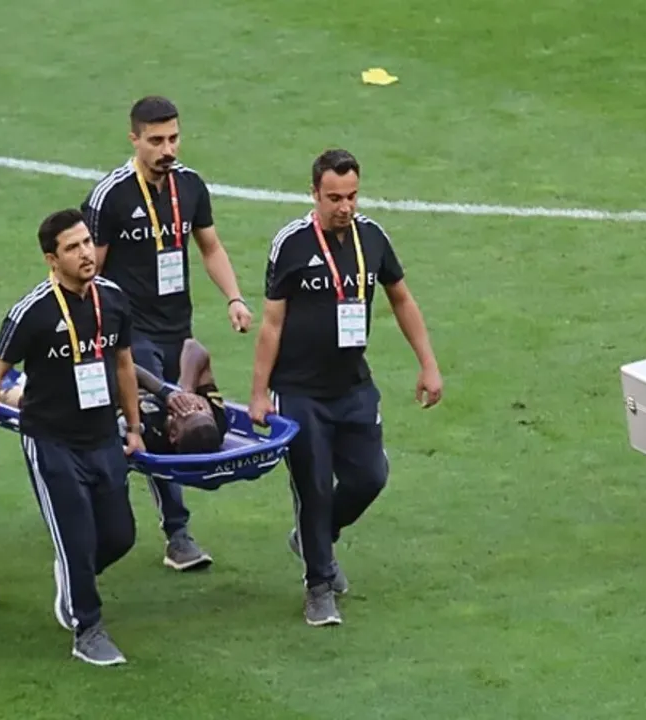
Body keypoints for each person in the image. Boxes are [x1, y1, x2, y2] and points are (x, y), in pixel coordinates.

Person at [249, 149, 444, 627]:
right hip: (299, 391)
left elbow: (402, 299)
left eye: (352, 196)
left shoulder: (372, 238)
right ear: (314, 193)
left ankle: (314, 535)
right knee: (313, 486)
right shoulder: (291, 244)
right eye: (335, 198)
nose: (345, 206)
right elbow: (272, 323)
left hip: (353, 385)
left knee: (370, 476)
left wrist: (429, 364)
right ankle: (318, 586)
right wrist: (259, 392)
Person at [0, 208, 144, 667]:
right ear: (51, 259)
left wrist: (135, 426)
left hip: (103, 437)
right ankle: (88, 629)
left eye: (87, 243)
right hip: (51, 441)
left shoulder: (113, 299)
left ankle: (72, 572)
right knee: (76, 535)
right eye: (72, 247)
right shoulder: (33, 311)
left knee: (120, 535)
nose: (86, 253)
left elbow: (124, 364)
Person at [80, 95, 253, 572]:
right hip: (131, 333)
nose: (167, 149)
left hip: (179, 328)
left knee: (193, 421)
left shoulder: (190, 186)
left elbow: (210, 247)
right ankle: (178, 533)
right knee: (160, 421)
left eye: (173, 138)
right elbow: (89, 269)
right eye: (156, 140)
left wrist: (234, 298)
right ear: (134, 139)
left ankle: (125, 494)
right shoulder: (111, 196)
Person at [128, 338, 229, 456]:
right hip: (165, 371)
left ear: (173, 434)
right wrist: (187, 391)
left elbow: (119, 366)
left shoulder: (150, 431)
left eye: (186, 411)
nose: (191, 404)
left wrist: (164, 392)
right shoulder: (218, 422)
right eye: (201, 408)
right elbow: (193, 346)